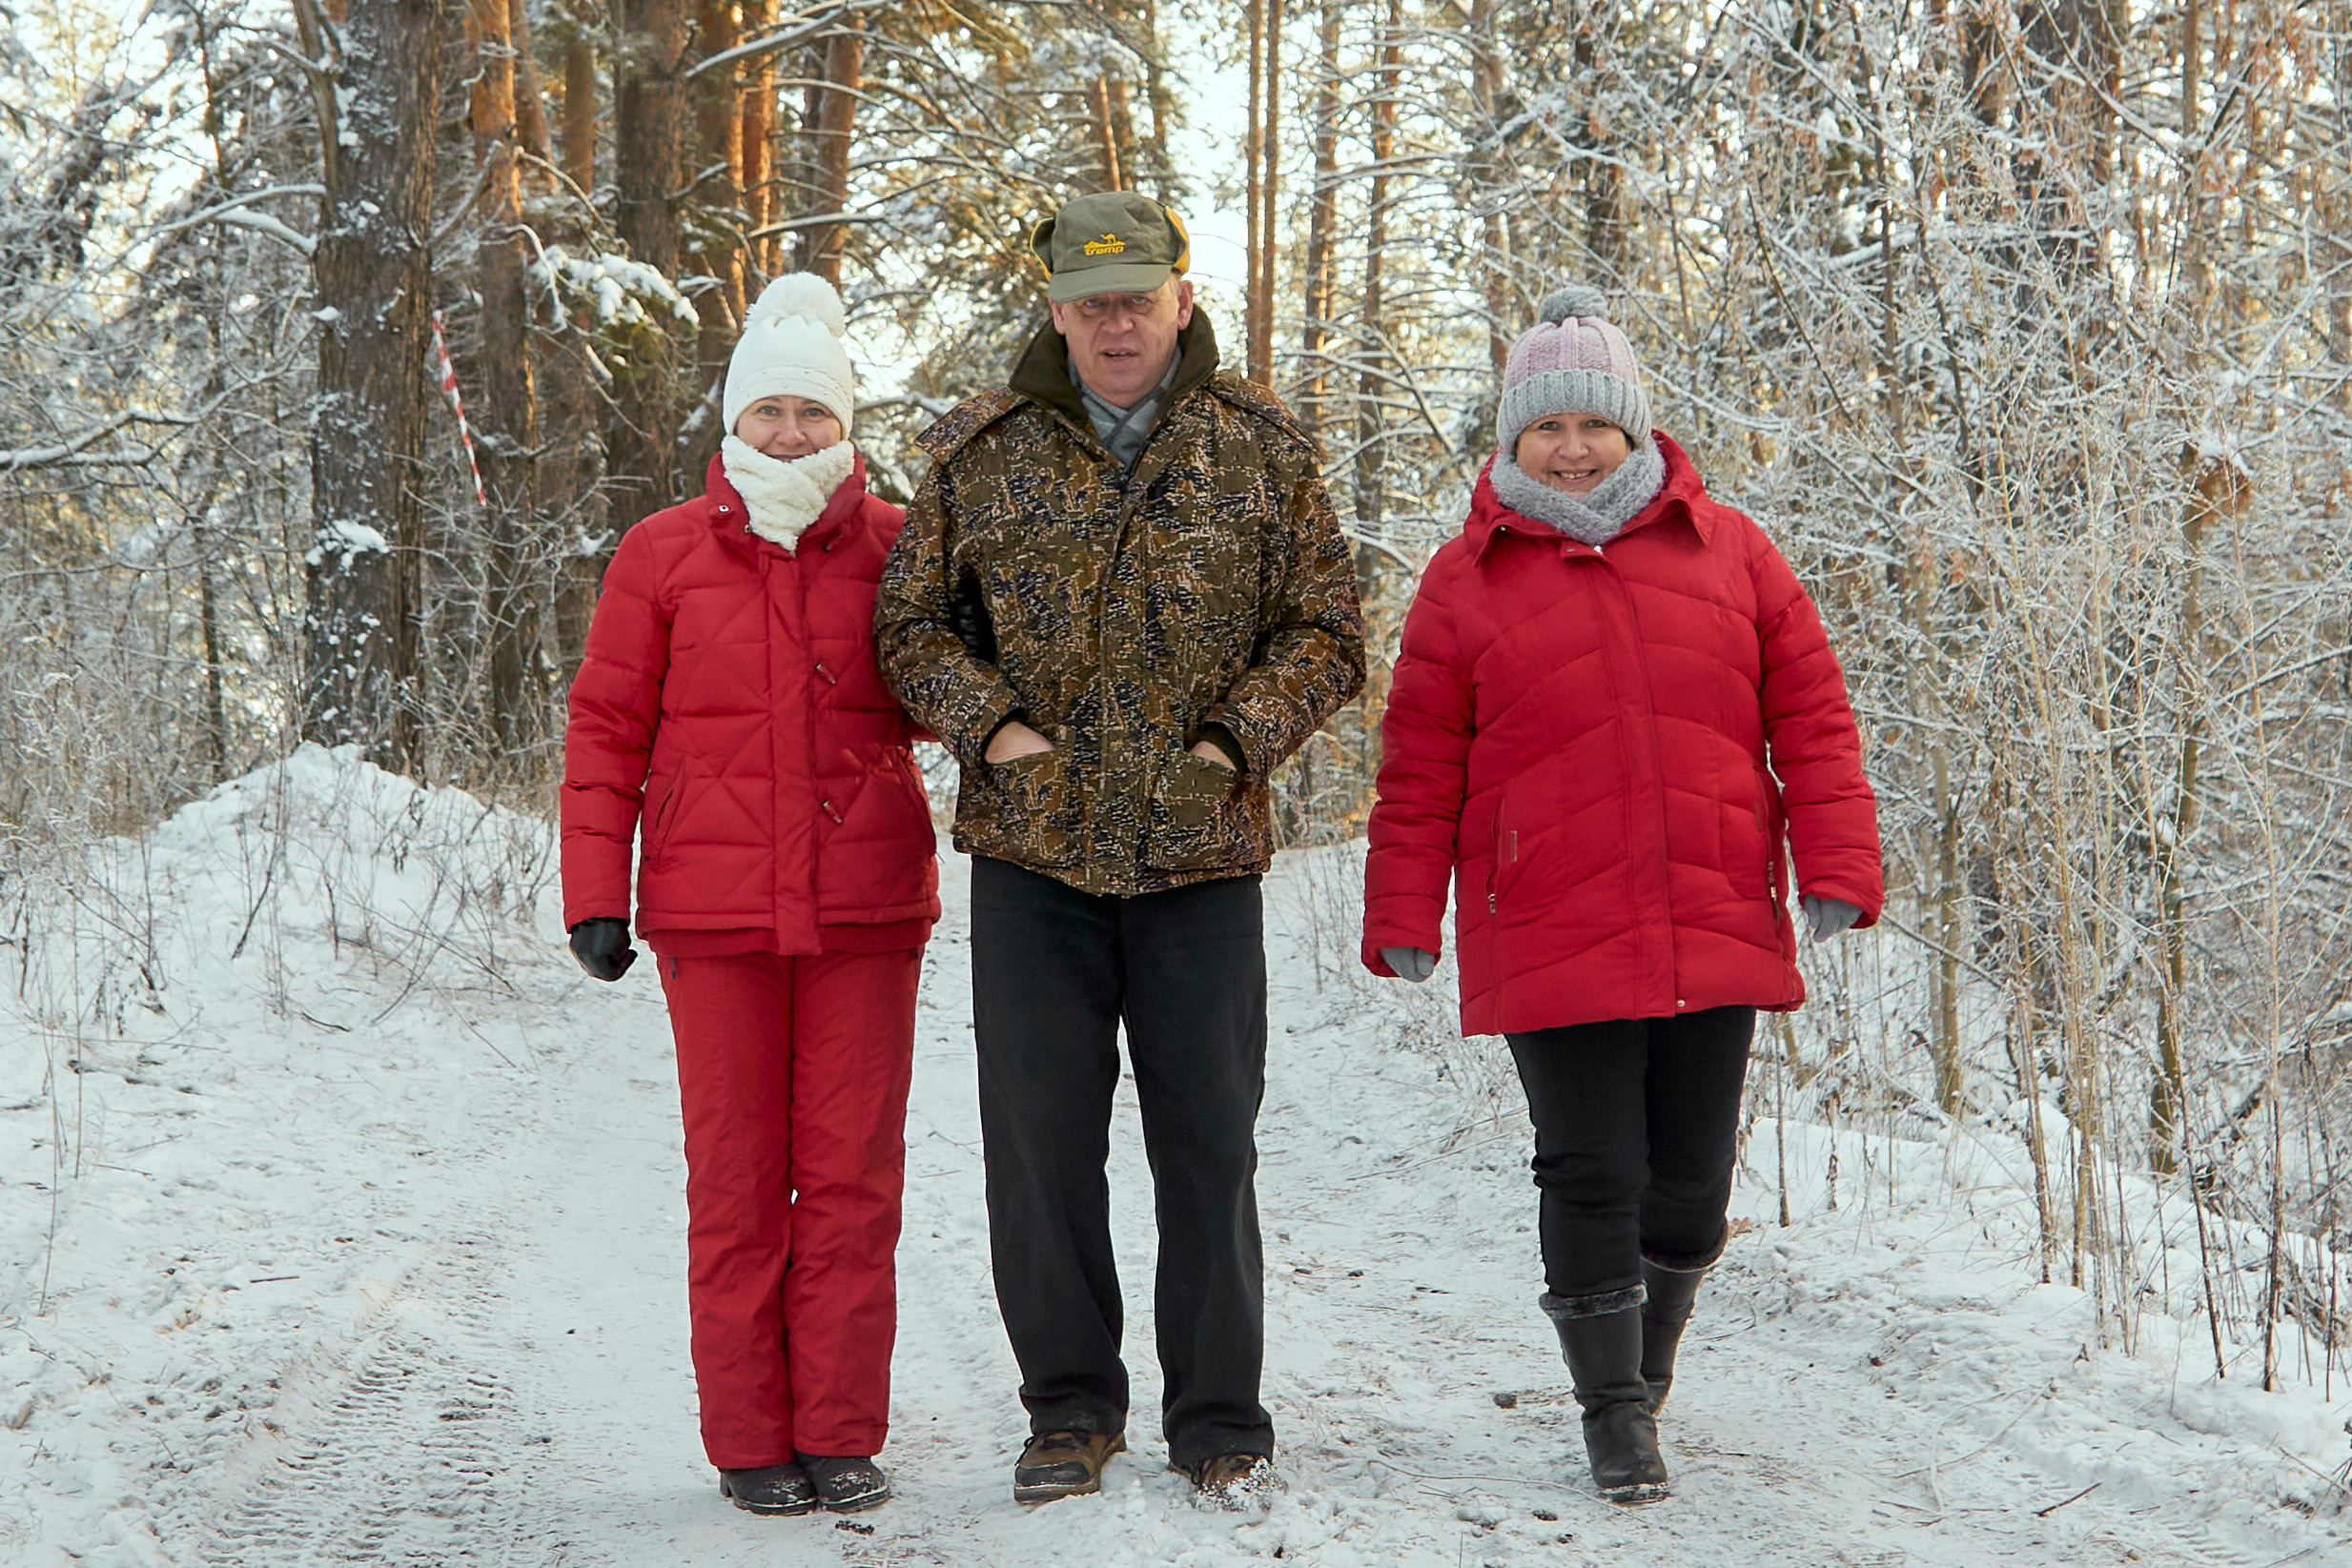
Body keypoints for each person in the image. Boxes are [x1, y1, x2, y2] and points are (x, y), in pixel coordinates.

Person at [873, 192, 1364, 1508]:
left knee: (1208, 1143)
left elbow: (1326, 632)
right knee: (1039, 1147)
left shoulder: (1255, 452)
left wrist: (1228, 746)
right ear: (1051, 311)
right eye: (1087, 300)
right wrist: (996, 733)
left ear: (1180, 301)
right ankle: (1069, 1408)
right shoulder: (981, 456)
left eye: (1135, 295)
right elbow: (910, 630)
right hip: (1032, 864)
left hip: (1200, 860)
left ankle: (1218, 1415)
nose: (1112, 319)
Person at [1360, 284, 1883, 1505]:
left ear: (1635, 427)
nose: (1573, 446)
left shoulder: (1732, 549)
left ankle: (1643, 1373)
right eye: (1546, 427)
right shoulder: (1463, 579)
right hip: (1546, 915)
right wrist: (1402, 914)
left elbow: (1812, 716)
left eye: (1593, 422)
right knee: (1590, 1166)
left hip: (1709, 904)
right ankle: (1611, 1412)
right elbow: (1419, 761)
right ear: (1511, 440)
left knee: (1691, 1182)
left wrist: (1837, 865)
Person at [561, 274, 938, 1518]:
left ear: (844, 426)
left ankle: (837, 1430)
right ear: (735, 418)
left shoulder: (895, 546)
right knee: (736, 1183)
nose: (789, 434)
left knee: (848, 1181)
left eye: (812, 414)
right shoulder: (661, 553)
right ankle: (746, 1441)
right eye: (770, 410)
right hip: (712, 918)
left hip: (863, 914)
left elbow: (957, 693)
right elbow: (607, 729)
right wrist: (592, 891)